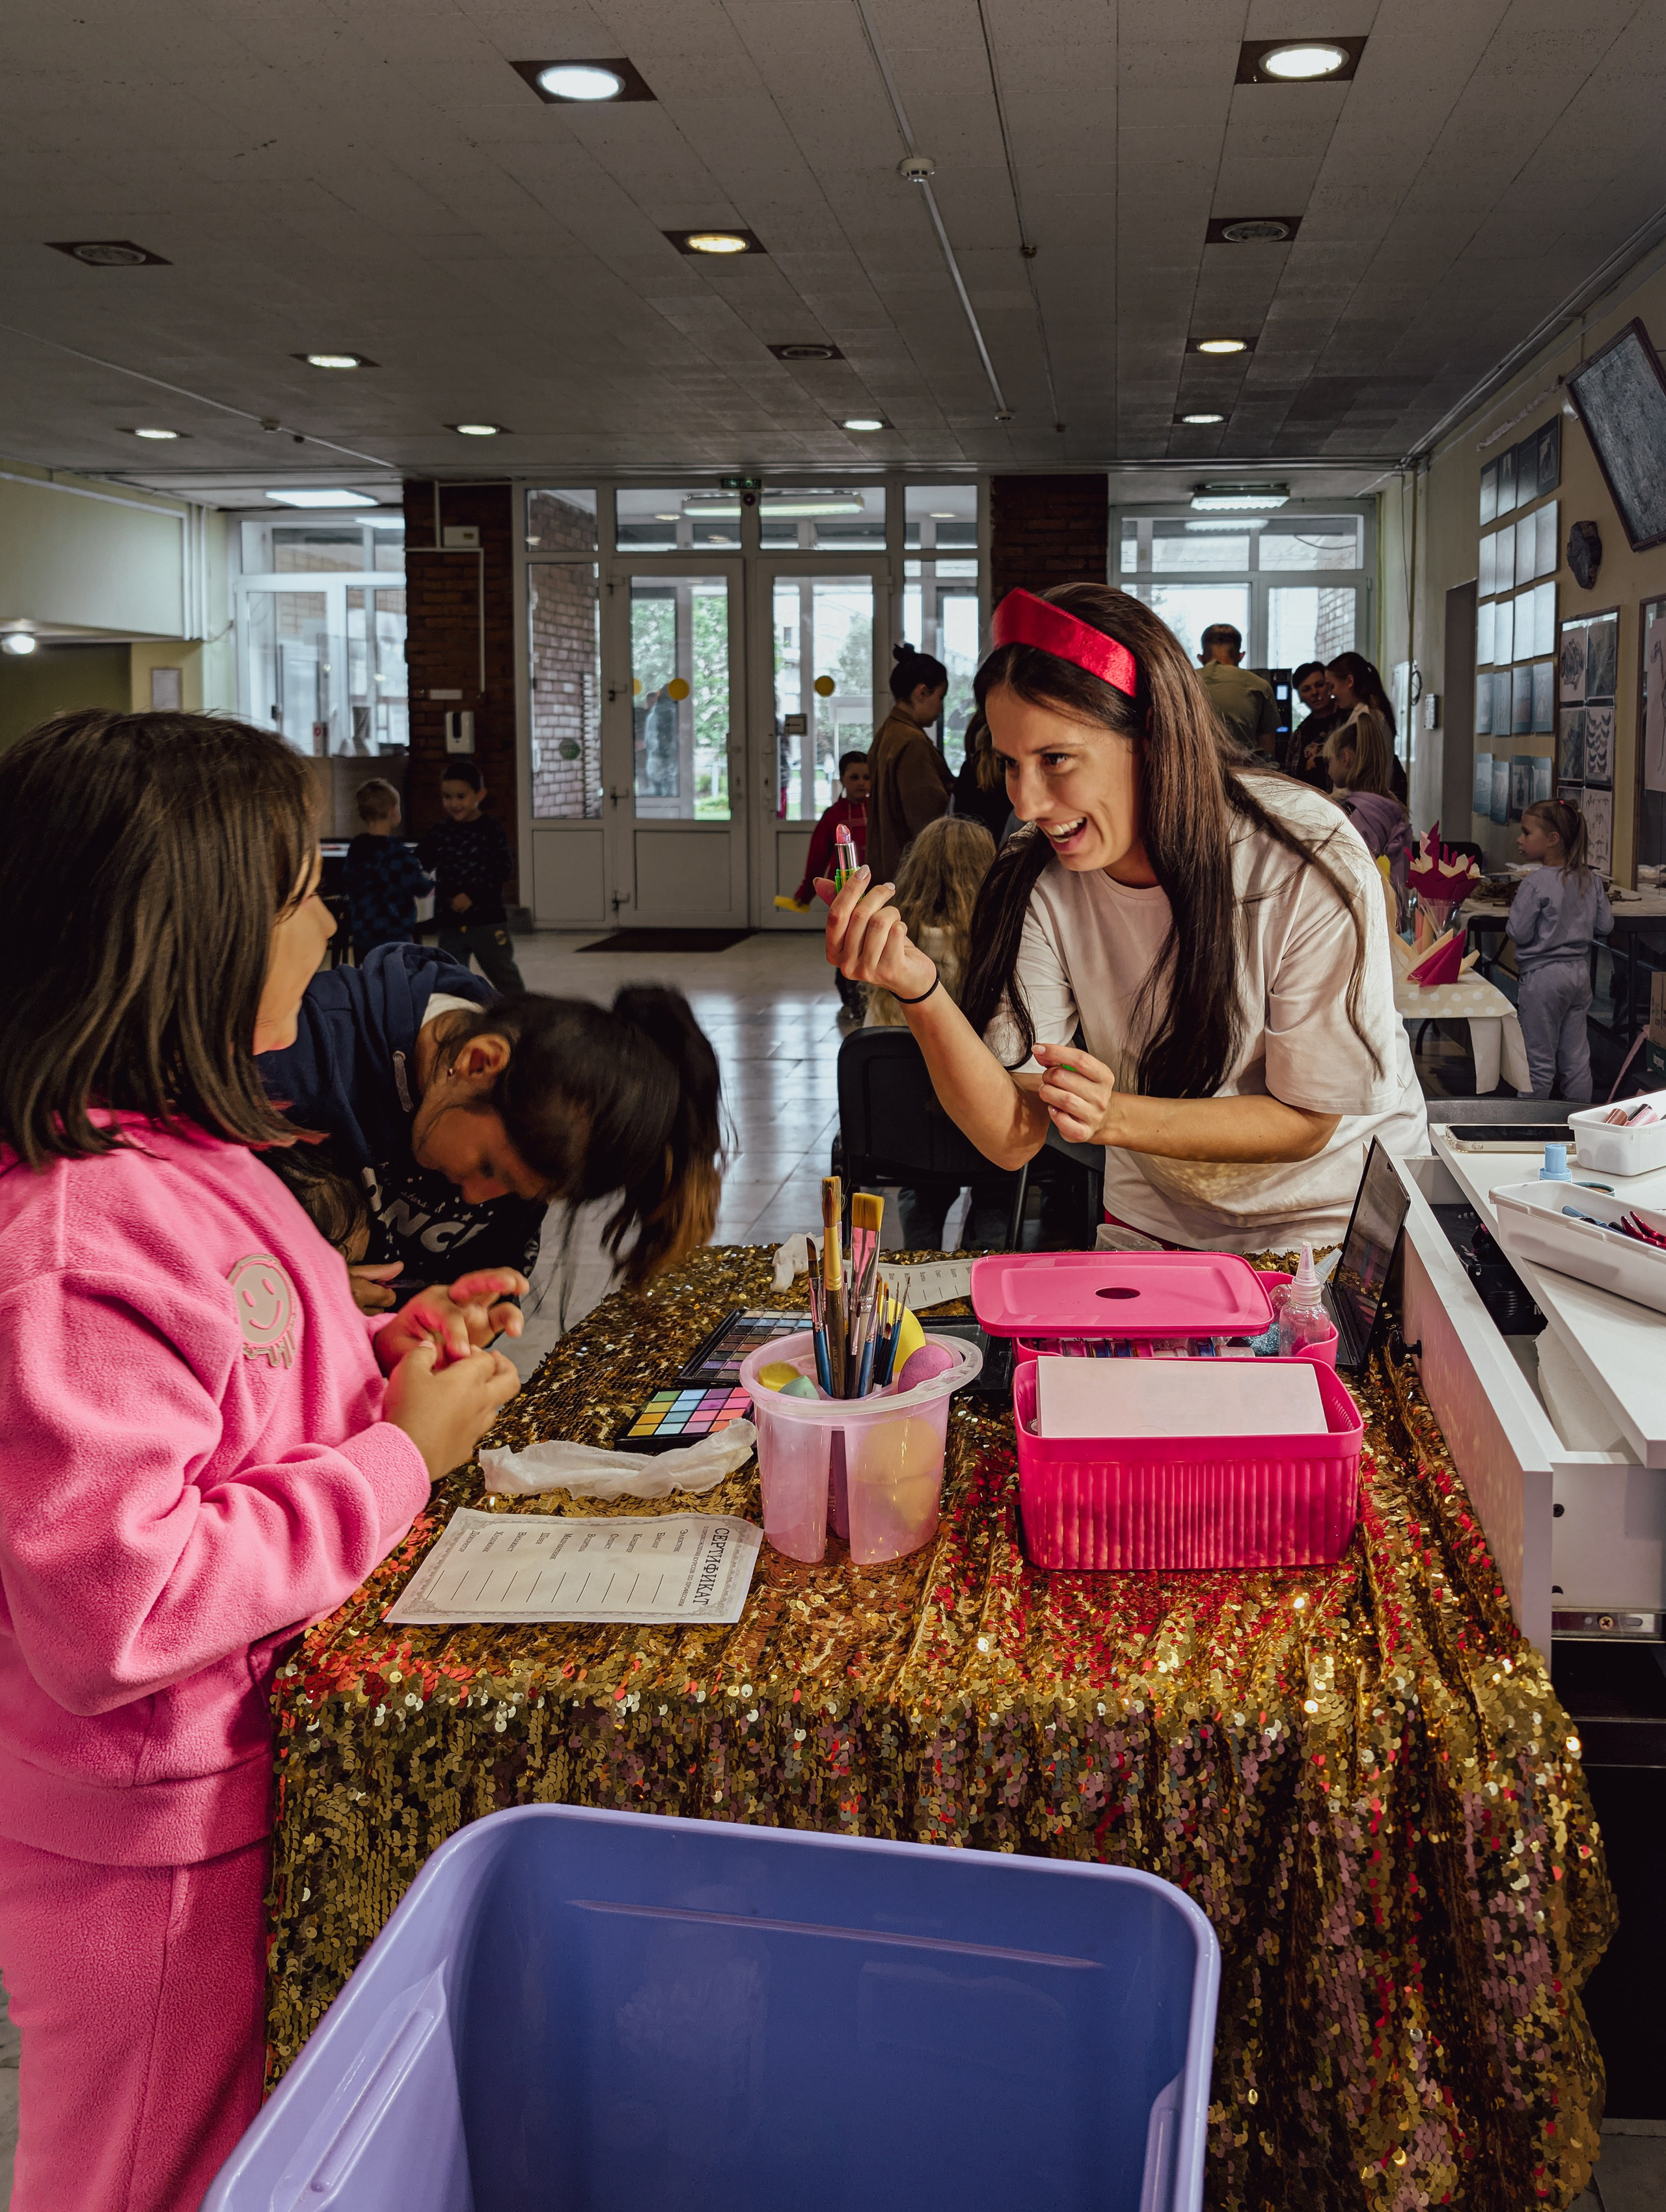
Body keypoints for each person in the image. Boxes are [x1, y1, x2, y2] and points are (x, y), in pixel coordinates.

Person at [0, 708, 523, 2212]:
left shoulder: (193, 1152)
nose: (330, 922)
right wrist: (391, 1468)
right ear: (194, 933)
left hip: (223, 1792)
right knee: (143, 2174)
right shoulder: (72, 1233)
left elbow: (240, 1383)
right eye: (302, 889)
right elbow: (117, 1605)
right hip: (143, 1836)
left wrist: (378, 1359)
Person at [822, 584, 1428, 1254]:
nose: (1025, 802)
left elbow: (1308, 1119)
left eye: (1054, 759)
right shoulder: (1035, 871)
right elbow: (1011, 1136)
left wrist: (1111, 1115)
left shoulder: (1300, 855)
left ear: (1151, 736)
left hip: (1332, 1214)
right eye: (1009, 764)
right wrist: (918, 987)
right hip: (1160, 1208)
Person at [259, 943, 725, 1309]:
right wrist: (306, 1306)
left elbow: (486, 1280)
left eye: (518, 1193)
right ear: (478, 1062)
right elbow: (194, 1250)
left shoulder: (539, 1111)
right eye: (489, 1168)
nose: (475, 1198)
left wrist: (462, 1321)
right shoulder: (290, 1059)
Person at [864, 814, 1004, 1248]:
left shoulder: (889, 944)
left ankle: (920, 1267)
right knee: (1001, 1191)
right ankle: (983, 1267)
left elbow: (876, 1041)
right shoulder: (1003, 944)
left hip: (907, 1136)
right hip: (986, 1140)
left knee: (917, 1187)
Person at [1508, 798, 1612, 1101]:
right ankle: (1579, 1126)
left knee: (1537, 1063)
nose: (1520, 839)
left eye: (1527, 833)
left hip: (1542, 979)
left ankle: (1527, 1129)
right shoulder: (1590, 879)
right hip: (1579, 975)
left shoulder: (1536, 882)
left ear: (1553, 840)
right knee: (1577, 1061)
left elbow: (1519, 932)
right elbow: (1605, 925)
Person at [416, 759, 525, 993]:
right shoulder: (439, 832)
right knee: (450, 978)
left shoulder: (492, 831)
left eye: (461, 796)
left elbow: (502, 870)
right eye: (447, 796)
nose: (453, 803)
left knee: (504, 975)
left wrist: (472, 896)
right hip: (450, 921)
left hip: (487, 920)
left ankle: (523, 1018)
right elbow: (421, 863)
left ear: (480, 795)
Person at [867, 643, 951, 885]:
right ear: (922, 692)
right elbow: (928, 821)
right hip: (910, 873)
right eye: (940, 697)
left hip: (885, 866)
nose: (941, 708)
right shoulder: (912, 742)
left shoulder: (889, 732)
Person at [1324, 712, 1411, 921]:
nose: (1328, 770)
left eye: (1330, 761)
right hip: (1391, 915)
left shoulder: (1352, 816)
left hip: (1363, 920)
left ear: (1345, 758)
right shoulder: (1390, 808)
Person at [344, 776, 433, 960]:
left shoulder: (357, 848)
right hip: (393, 929)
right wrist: (431, 882)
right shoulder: (397, 852)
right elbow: (418, 886)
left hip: (363, 929)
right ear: (394, 811)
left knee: (368, 974)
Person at [1326, 651, 1408, 805]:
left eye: (1332, 686)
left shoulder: (1367, 718)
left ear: (1350, 681)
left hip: (1363, 802)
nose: (1330, 693)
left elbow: (1359, 769)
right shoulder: (1367, 713)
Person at [790, 750, 870, 904]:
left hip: (874, 882)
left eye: (866, 777)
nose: (861, 782)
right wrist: (805, 892)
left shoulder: (880, 812)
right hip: (842, 887)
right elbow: (817, 856)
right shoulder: (833, 815)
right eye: (854, 777)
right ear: (842, 779)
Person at [1195, 623, 1278, 755]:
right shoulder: (1260, 686)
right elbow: (1267, 751)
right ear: (1241, 656)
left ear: (1201, 659)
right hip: (1245, 772)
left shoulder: (1183, 683)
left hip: (1195, 771)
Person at [950, 707, 1017, 844]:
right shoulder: (1013, 770)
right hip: (1004, 849)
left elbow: (953, 815)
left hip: (968, 846)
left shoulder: (969, 769)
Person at [1287, 662, 1342, 786]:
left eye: (1319, 685)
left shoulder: (1347, 722)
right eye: (1306, 689)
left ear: (1329, 686)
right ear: (1300, 697)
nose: (1314, 693)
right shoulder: (1299, 735)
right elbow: (1292, 776)